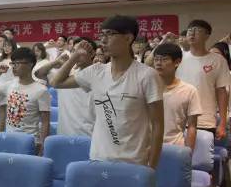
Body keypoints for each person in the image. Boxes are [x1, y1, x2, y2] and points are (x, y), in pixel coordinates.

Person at [50, 15, 164, 169]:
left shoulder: (147, 75)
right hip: (98, 158)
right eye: (102, 35)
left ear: (128, 38)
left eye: (110, 34)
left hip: (133, 162)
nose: (103, 40)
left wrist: (152, 167)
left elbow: (157, 125)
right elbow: (56, 82)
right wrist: (75, 56)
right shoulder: (96, 71)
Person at [0, 48, 51, 147]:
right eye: (13, 63)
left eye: (18, 63)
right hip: (9, 138)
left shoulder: (41, 90)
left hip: (29, 141)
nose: (14, 67)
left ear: (30, 64)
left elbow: (45, 122)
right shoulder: (10, 85)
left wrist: (42, 146)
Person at [176, 20, 230, 140]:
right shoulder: (179, 58)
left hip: (204, 120)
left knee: (200, 152)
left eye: (197, 30)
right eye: (190, 30)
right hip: (178, 120)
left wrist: (222, 123)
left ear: (207, 36)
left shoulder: (217, 60)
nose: (192, 33)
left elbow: (222, 92)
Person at [35, 38, 97, 137]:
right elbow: (38, 73)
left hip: (89, 136)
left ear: (92, 53)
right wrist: (56, 62)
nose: (76, 55)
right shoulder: (64, 75)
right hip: (64, 135)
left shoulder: (98, 75)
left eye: (81, 52)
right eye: (74, 52)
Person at [153, 43, 201, 150]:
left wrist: (188, 153)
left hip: (174, 148)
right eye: (156, 59)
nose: (159, 63)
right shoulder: (146, 87)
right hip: (148, 146)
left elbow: (192, 126)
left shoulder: (189, 91)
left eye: (164, 59)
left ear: (177, 62)